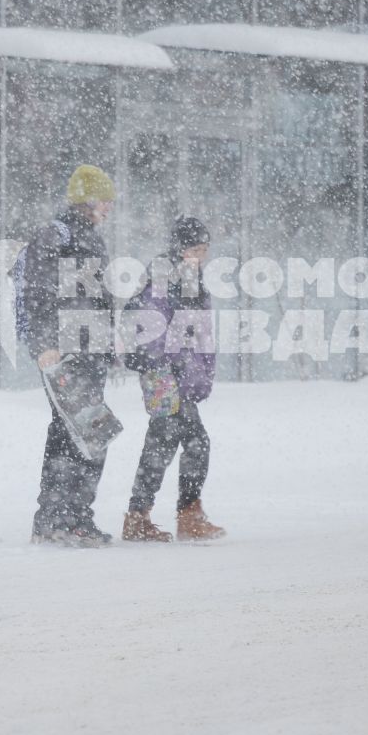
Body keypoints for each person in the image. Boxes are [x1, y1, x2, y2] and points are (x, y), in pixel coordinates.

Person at [21, 165, 119, 547]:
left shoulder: (89, 238)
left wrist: (108, 344)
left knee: (73, 432)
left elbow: (98, 299)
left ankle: (60, 519)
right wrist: (45, 344)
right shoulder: (57, 235)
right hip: (66, 351)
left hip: (86, 349)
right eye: (105, 201)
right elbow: (39, 292)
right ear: (89, 200)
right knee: (86, 431)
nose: (109, 208)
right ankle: (68, 518)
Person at [122, 216, 225, 544]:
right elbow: (153, 327)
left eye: (205, 249)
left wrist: (198, 373)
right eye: (196, 249)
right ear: (180, 249)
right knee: (191, 442)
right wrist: (169, 368)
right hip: (164, 376)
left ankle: (146, 516)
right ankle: (180, 515)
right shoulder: (165, 280)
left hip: (179, 377)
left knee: (164, 444)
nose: (202, 255)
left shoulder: (191, 281)